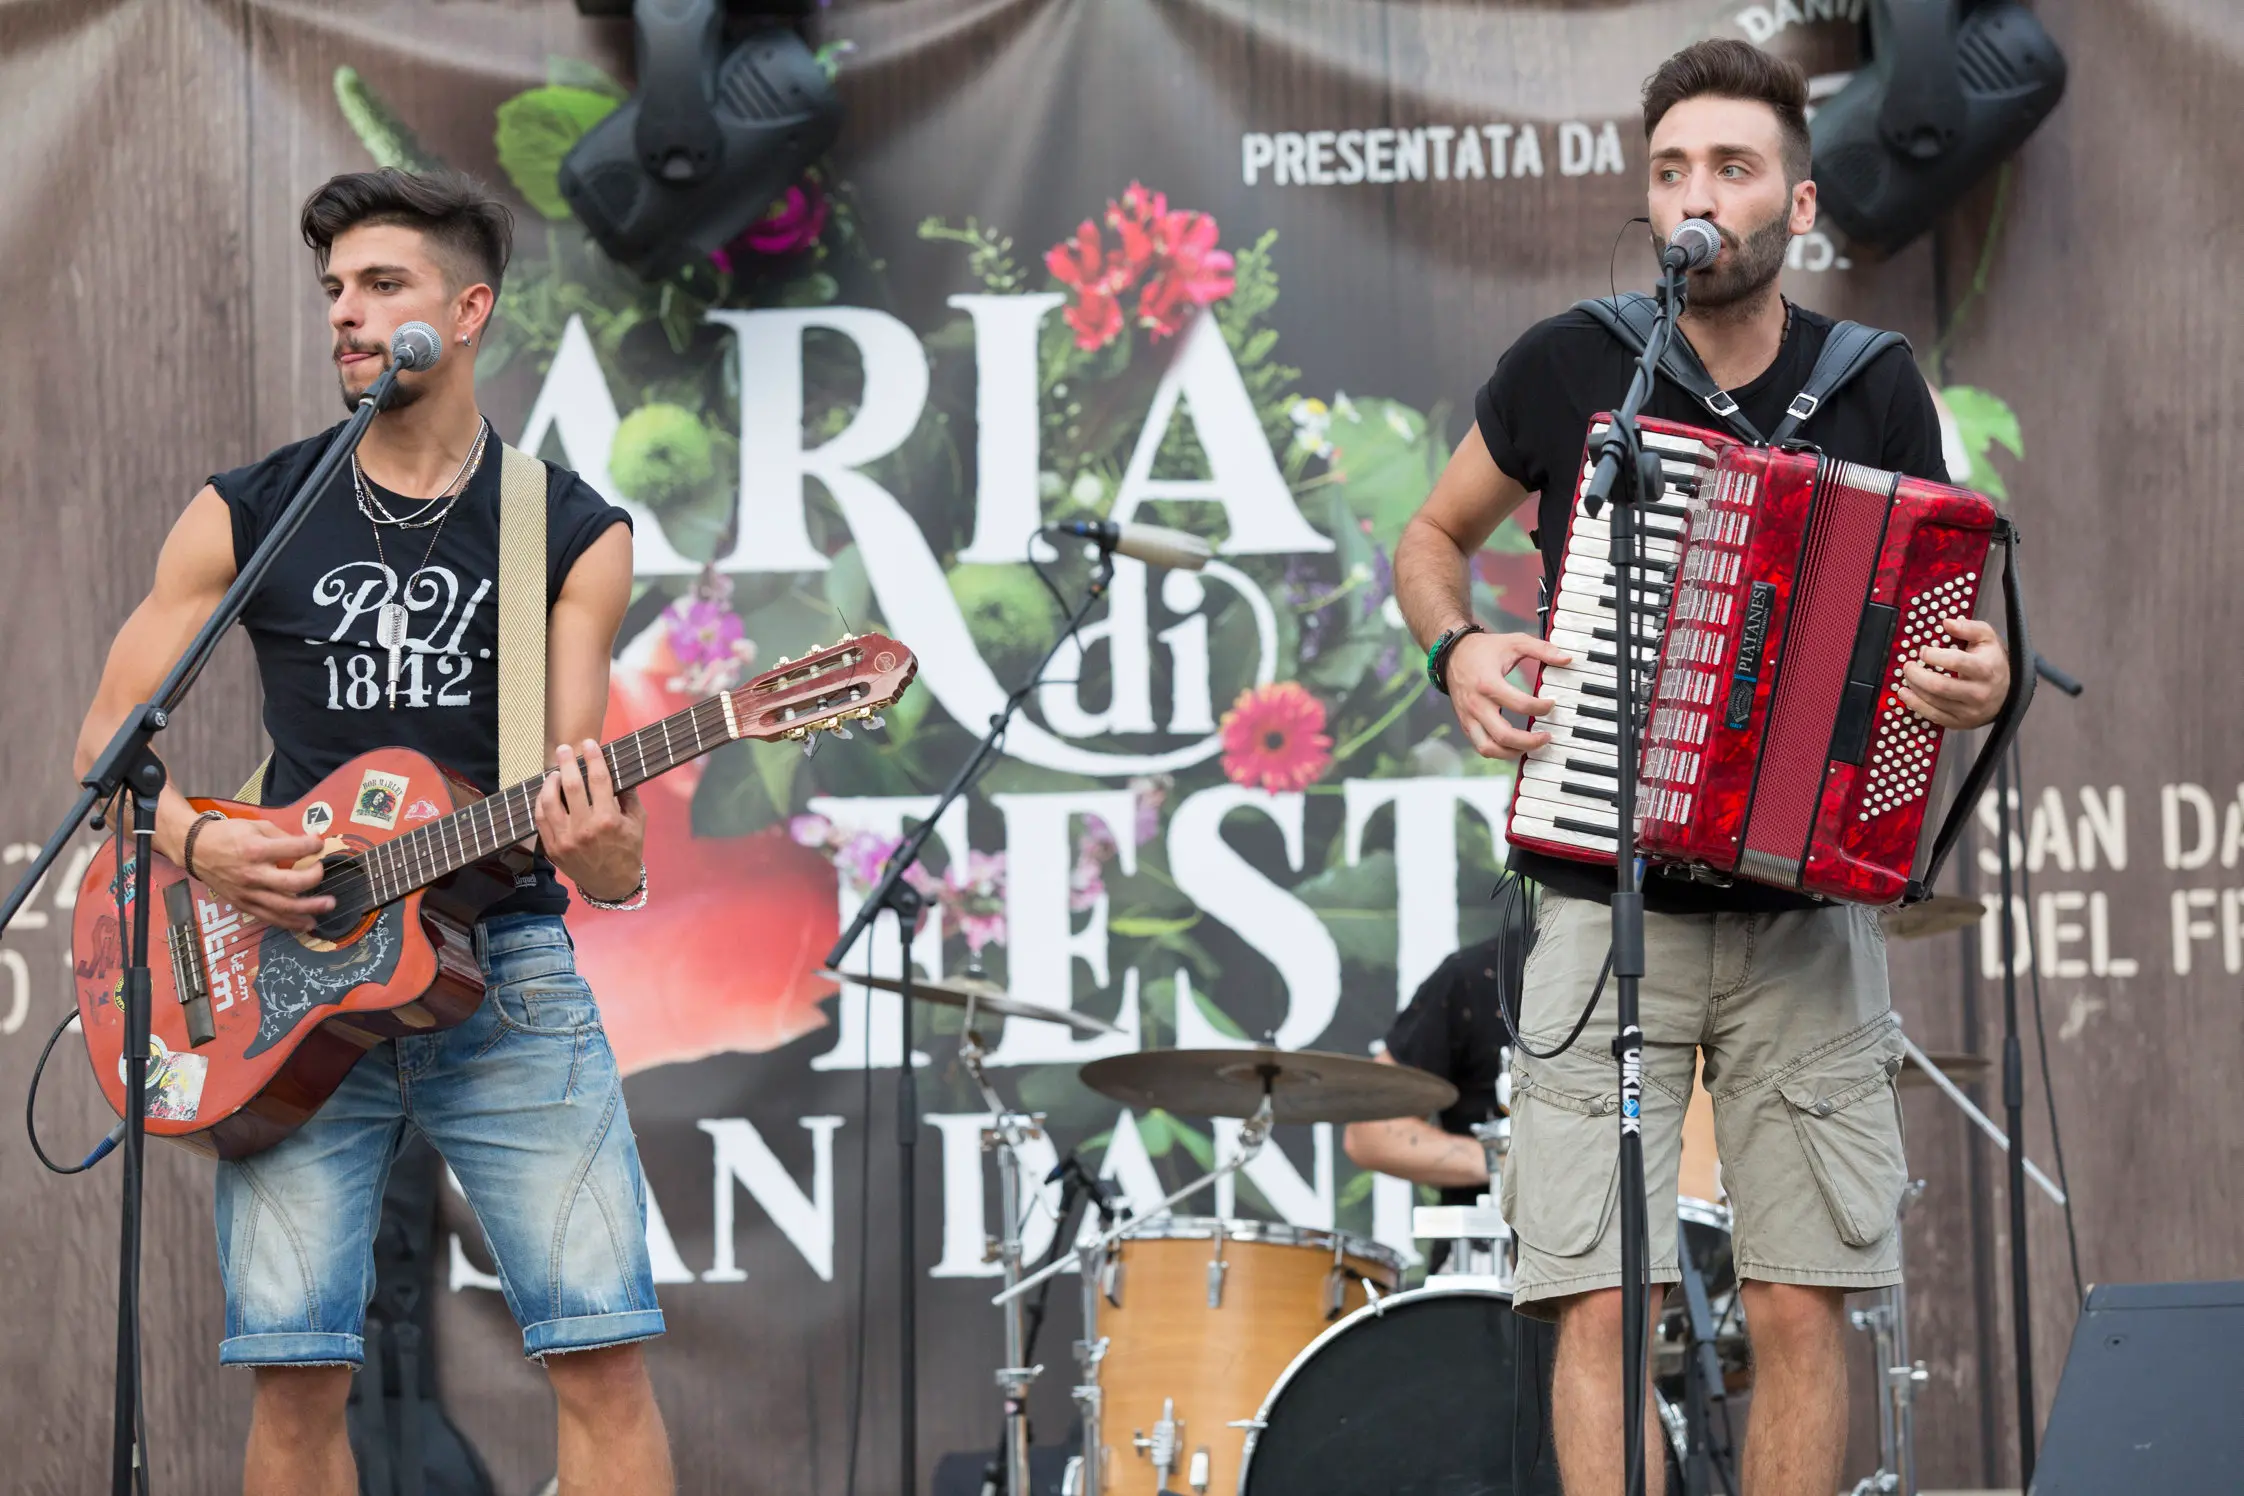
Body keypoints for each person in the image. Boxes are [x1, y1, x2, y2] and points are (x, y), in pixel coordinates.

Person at [1391, 40, 2012, 1496]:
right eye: (1673, 168)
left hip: (1802, 921)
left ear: (1797, 203)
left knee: (1802, 1301)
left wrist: (1971, 675)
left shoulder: (1873, 385)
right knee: (1605, 1302)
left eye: (1731, 168)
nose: (1696, 194)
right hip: (1603, 908)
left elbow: (1945, 619)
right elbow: (1431, 539)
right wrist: (1456, 650)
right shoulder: (1568, 367)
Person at [70, 168, 674, 1495]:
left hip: (500, 971)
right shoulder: (251, 506)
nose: (346, 315)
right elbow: (104, 749)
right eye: (334, 290)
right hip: (284, 981)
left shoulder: (566, 530)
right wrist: (203, 845)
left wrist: (603, 848)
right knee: (294, 1376)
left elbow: (593, 813)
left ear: (467, 312)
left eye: (381, 287)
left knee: (603, 1354)